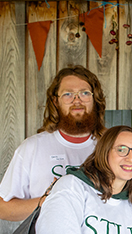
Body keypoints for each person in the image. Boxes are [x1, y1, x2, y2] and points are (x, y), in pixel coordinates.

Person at [0, 65, 106, 222]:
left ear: (95, 99)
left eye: (85, 93)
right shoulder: (32, 148)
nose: (77, 100)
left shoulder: (112, 148)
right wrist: (47, 201)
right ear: (56, 101)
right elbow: (3, 209)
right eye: (68, 94)